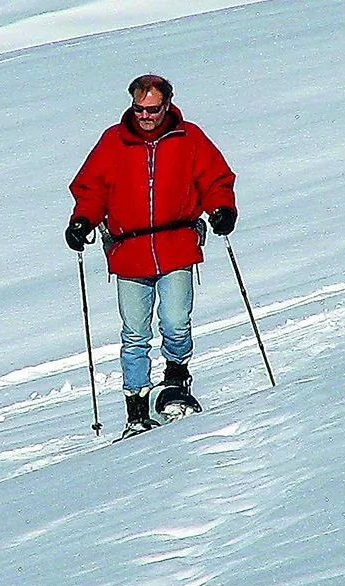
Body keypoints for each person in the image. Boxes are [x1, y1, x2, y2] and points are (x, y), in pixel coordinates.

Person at [65, 74, 238, 437]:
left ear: (167, 105)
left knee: (175, 323)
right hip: (129, 251)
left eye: (152, 109)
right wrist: (82, 221)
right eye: (139, 108)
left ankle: (176, 381)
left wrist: (221, 208)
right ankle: (136, 411)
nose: (145, 116)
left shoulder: (188, 138)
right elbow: (91, 189)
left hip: (176, 245)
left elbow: (214, 178)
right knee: (134, 334)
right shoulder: (113, 142)